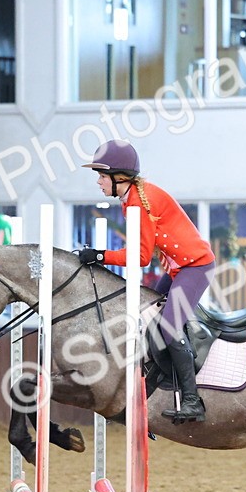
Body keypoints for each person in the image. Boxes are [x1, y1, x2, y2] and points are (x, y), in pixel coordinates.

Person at [78, 139, 216, 423]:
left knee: (167, 328)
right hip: (180, 269)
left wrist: (100, 256)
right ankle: (149, 394)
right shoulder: (130, 198)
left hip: (195, 267)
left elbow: (140, 257)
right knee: (147, 317)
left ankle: (192, 401)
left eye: (102, 177)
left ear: (120, 178)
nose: (99, 183)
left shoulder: (139, 202)